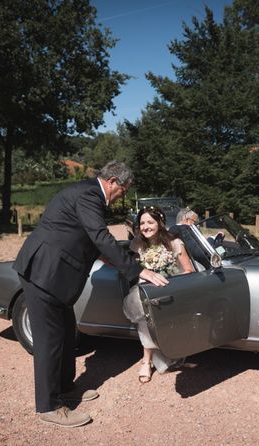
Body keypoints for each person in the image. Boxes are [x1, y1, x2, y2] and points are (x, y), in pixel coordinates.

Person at [13, 161, 168, 428]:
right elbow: (99, 236)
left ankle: (65, 388)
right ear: (112, 182)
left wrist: (120, 259)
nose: (123, 195)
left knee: (65, 333)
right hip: (44, 272)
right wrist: (137, 270)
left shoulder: (89, 195)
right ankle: (49, 406)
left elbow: (88, 238)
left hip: (56, 275)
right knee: (50, 340)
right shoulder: (89, 195)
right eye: (124, 189)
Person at [123, 206, 195, 383]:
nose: (145, 227)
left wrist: (170, 281)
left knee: (166, 327)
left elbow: (189, 270)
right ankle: (146, 362)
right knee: (146, 325)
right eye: (141, 223)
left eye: (150, 222)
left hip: (168, 290)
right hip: (145, 291)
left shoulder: (174, 243)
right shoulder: (136, 244)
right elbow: (127, 265)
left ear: (160, 223)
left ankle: (170, 355)